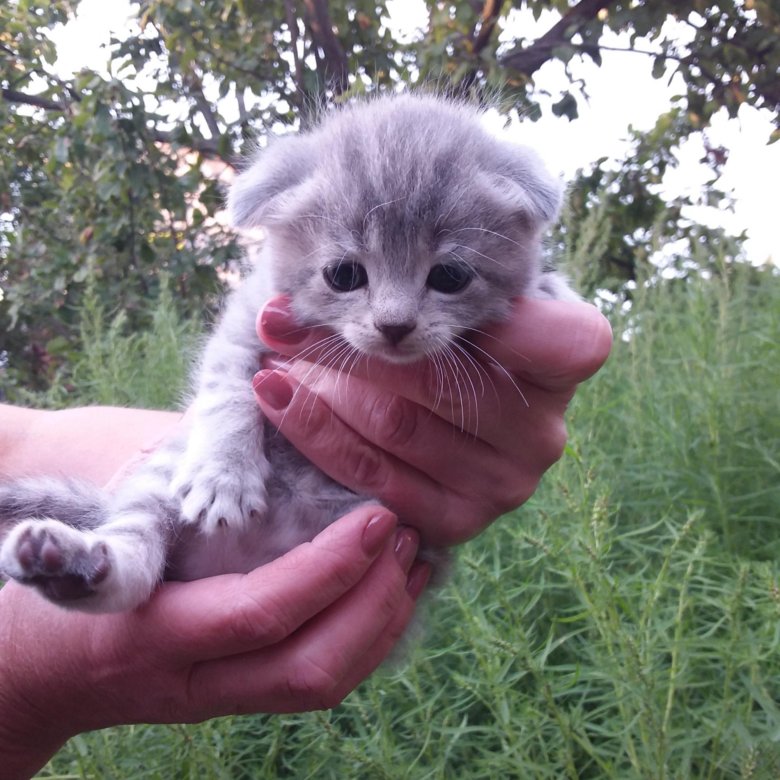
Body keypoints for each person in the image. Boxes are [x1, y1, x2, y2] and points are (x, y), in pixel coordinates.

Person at [0, 295, 611, 779]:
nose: (392, 312)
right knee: (156, 498)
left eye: (445, 274)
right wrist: (20, 686)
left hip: (324, 539)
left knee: (163, 480)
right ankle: (119, 565)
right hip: (294, 544)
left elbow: (26, 439)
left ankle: (115, 558)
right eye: (348, 270)